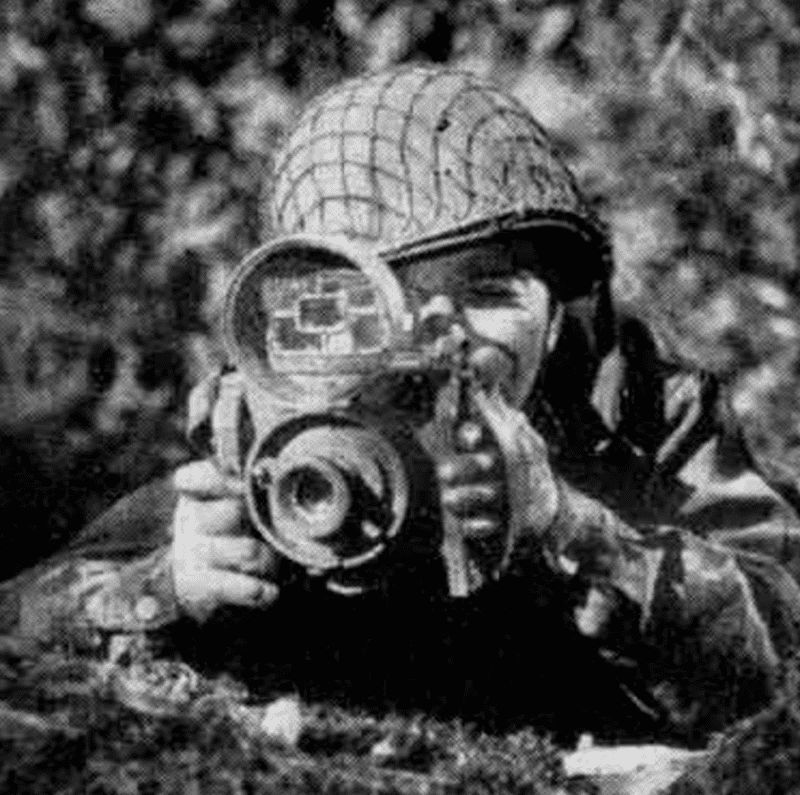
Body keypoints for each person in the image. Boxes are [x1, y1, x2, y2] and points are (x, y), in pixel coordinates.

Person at [3, 64, 800, 746]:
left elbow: (785, 651)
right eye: (382, 300)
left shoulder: (642, 413)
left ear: (556, 312)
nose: (437, 340)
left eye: (488, 293)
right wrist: (170, 586)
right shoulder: (278, 423)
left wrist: (575, 530)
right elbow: (21, 630)